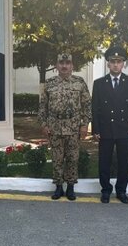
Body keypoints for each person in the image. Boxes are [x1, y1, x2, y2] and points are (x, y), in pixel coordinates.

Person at [91, 45, 128, 204]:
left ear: (123, 64)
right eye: (112, 62)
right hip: (105, 129)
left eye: (119, 62)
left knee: (123, 163)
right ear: (108, 64)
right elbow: (95, 108)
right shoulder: (99, 83)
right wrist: (96, 129)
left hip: (124, 129)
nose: (115, 65)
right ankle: (106, 190)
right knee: (104, 162)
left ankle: (121, 191)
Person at [38, 52, 91, 200]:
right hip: (54, 128)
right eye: (61, 63)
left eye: (67, 63)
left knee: (73, 158)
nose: (64, 66)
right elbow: (43, 106)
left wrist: (84, 125)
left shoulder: (79, 82)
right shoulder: (50, 83)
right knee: (57, 158)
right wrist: (43, 124)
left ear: (72, 66)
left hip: (73, 128)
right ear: (57, 65)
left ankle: (71, 187)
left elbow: (87, 105)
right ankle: (59, 187)